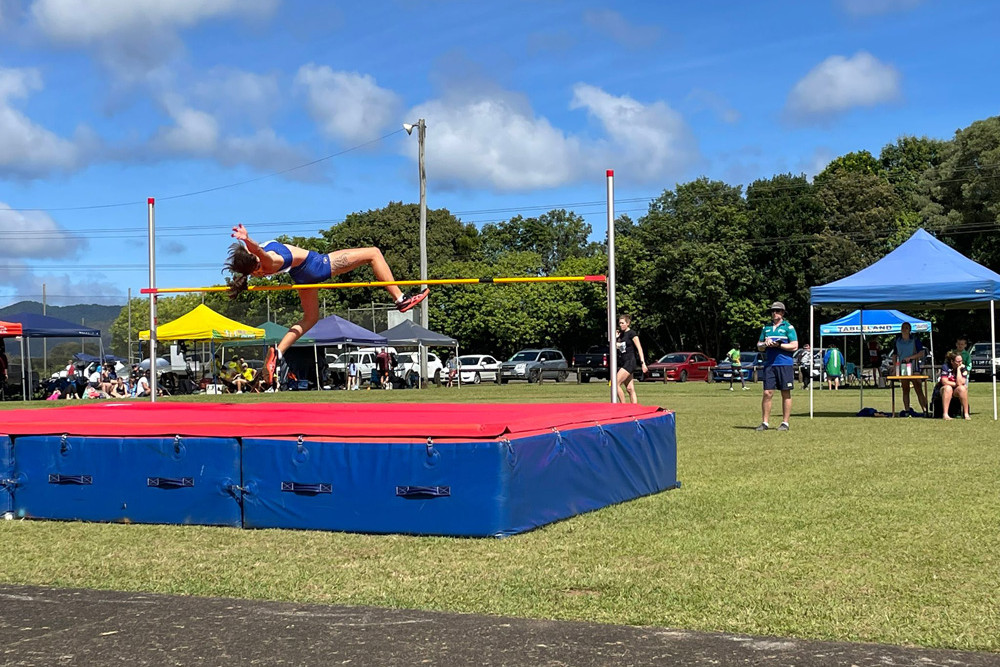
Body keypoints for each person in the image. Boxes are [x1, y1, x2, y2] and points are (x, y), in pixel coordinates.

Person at [226, 224, 429, 385]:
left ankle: (278, 353)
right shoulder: (269, 261)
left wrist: (245, 242)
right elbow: (259, 251)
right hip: (316, 265)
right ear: (255, 262)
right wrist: (247, 238)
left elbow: (252, 254)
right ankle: (400, 299)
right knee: (374, 253)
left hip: (302, 277)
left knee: (310, 318)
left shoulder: (257, 265)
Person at [756, 301, 798, 432]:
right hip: (770, 364)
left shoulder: (788, 327)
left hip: (784, 364)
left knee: (785, 392)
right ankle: (765, 422)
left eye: (777, 311)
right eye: (773, 311)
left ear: (783, 313)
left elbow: (794, 345)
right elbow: (759, 345)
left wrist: (779, 345)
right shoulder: (766, 328)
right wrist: (765, 344)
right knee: (767, 393)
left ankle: (785, 423)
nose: (774, 313)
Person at [891, 322, 928, 416]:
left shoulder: (915, 340)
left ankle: (925, 410)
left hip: (914, 366)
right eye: (903, 328)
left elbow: (922, 353)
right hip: (903, 367)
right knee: (905, 389)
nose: (904, 329)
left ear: (910, 330)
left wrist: (911, 357)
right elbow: (894, 355)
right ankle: (907, 410)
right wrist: (895, 367)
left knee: (918, 388)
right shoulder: (897, 341)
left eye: (907, 328)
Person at [614, 314, 648, 404]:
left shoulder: (632, 334)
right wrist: (616, 338)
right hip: (623, 362)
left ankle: (623, 406)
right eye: (619, 323)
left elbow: (639, 348)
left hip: (630, 362)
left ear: (628, 323)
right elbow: (617, 348)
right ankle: (634, 408)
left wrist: (643, 363)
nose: (621, 325)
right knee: (629, 388)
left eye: (622, 323)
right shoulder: (621, 335)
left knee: (615, 384)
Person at [938, 351, 971, 420]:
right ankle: (945, 414)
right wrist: (956, 384)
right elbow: (944, 381)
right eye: (958, 361)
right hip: (943, 389)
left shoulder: (963, 368)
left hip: (956, 390)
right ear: (952, 361)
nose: (960, 363)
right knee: (948, 388)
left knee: (962, 389)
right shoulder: (945, 367)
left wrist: (959, 370)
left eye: (961, 361)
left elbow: (962, 382)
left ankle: (966, 414)